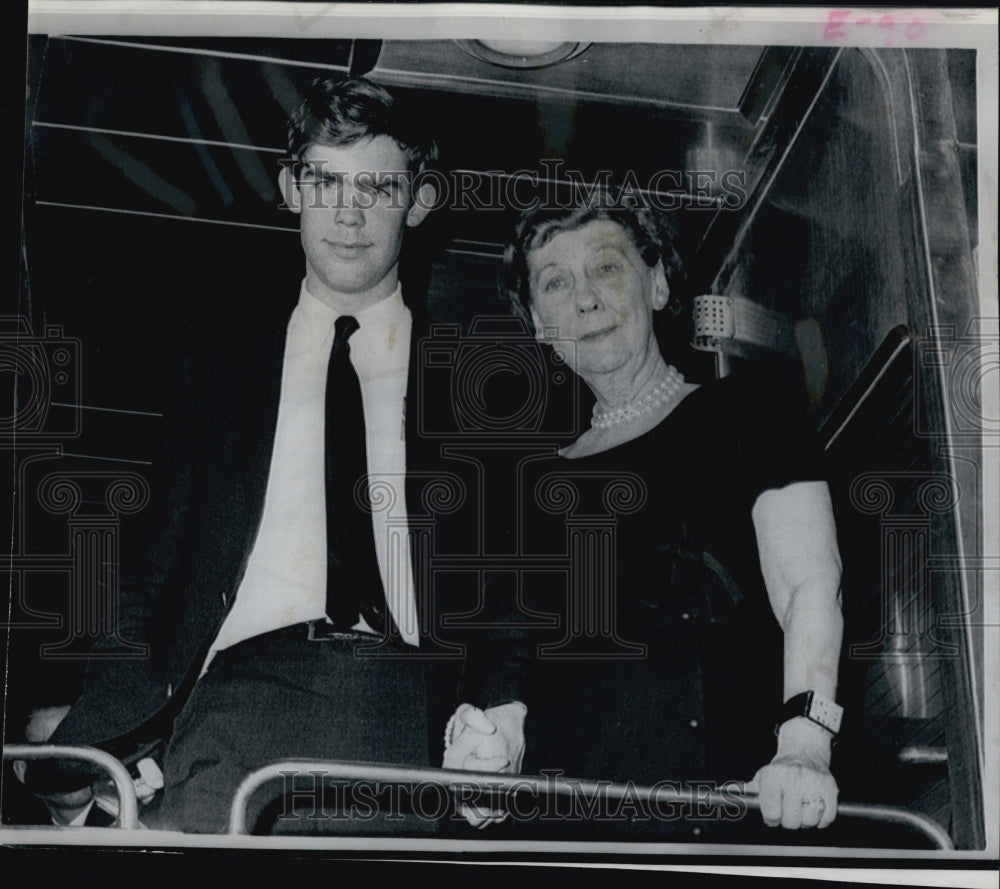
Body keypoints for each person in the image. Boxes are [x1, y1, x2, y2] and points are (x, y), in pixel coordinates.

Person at [29, 74, 526, 834]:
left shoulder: (472, 381)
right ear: (292, 188)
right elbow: (153, 576)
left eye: (378, 186)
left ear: (419, 201)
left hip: (396, 716)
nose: (350, 212)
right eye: (327, 180)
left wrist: (501, 715)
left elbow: (506, 578)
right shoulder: (218, 371)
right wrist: (93, 732)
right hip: (230, 709)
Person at [481, 193, 844, 839]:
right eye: (556, 282)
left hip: (725, 815)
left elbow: (809, 583)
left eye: (607, 267)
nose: (585, 299)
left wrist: (804, 743)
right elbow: (506, 658)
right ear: (538, 321)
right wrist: (485, 751)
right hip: (571, 837)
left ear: (658, 282)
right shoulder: (531, 485)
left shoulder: (749, 409)